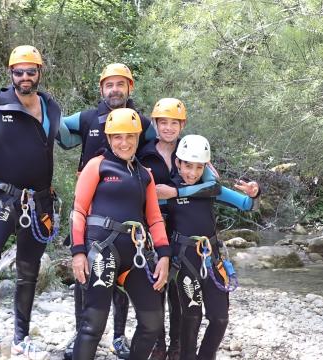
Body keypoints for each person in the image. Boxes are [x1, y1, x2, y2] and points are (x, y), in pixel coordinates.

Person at [0, 45, 69, 358]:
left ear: (40, 72)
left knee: (28, 270)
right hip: (2, 197)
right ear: (10, 73)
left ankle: (20, 336)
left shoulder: (52, 108)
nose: (25, 77)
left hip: (40, 202)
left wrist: (116, 126)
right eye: (19, 71)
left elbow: (72, 136)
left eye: (31, 71)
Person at [59, 62, 157, 359]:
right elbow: (60, 131)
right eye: (109, 84)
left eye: (120, 84)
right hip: (92, 212)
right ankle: (81, 334)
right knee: (88, 278)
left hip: (130, 209)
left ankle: (118, 335)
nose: (115, 89)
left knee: (125, 275)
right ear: (102, 89)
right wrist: (43, 109)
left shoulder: (143, 122)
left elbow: (159, 156)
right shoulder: (88, 118)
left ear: (130, 87)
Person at [70, 108, 171, 360]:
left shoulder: (144, 174)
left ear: (138, 138)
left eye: (130, 137)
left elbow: (155, 218)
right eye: (117, 137)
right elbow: (79, 211)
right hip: (103, 249)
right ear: (108, 138)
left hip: (134, 255)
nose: (124, 143)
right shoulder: (97, 165)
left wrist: (164, 256)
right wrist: (78, 253)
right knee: (93, 322)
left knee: (152, 321)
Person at [138, 98, 220, 360]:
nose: (169, 128)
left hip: (181, 230)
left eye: (174, 123)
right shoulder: (144, 152)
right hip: (152, 227)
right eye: (164, 122)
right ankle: (158, 345)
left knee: (178, 293)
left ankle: (176, 346)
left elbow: (214, 187)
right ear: (155, 124)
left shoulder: (190, 154)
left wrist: (176, 191)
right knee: (156, 288)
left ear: (182, 125)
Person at [166, 135, 259, 360]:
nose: (192, 172)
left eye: (199, 167)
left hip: (211, 259)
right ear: (178, 162)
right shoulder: (167, 191)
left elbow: (246, 205)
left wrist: (254, 192)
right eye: (188, 165)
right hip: (183, 260)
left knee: (220, 318)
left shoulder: (211, 189)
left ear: (206, 166)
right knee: (192, 316)